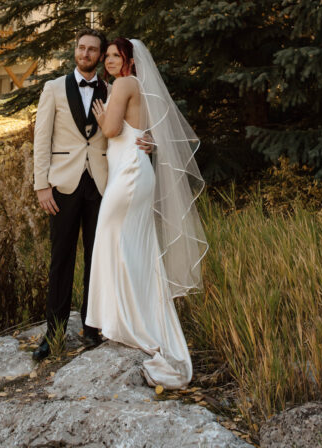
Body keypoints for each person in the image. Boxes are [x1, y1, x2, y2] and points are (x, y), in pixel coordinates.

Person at [86, 37, 207, 388]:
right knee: (132, 246)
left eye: (115, 56)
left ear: (130, 60)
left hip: (130, 174)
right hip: (136, 169)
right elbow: (147, 131)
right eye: (106, 55)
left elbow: (109, 130)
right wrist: (141, 135)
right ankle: (127, 318)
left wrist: (105, 115)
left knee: (115, 240)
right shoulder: (134, 85)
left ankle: (129, 322)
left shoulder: (124, 84)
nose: (109, 60)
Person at [32, 28, 151, 361]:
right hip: (63, 185)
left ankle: (91, 325)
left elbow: (132, 122)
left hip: (102, 184)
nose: (85, 53)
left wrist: (148, 140)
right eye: (81, 48)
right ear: (76, 51)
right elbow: (41, 140)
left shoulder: (112, 88)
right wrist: (41, 185)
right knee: (61, 260)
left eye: (93, 50)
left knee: (97, 257)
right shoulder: (53, 88)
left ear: (101, 56)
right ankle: (53, 334)